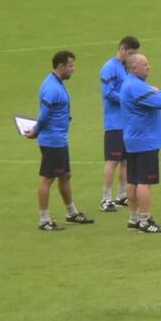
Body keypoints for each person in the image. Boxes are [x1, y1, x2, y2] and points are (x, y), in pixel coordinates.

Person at [25, 51, 94, 231]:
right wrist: (36, 131)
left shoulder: (55, 83)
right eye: (71, 65)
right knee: (47, 179)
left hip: (59, 139)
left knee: (65, 175)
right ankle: (44, 219)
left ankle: (71, 212)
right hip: (53, 141)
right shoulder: (52, 88)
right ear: (61, 66)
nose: (73, 69)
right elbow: (45, 114)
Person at [120, 54, 161, 233]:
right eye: (145, 65)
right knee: (144, 182)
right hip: (145, 140)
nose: (149, 67)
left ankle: (133, 218)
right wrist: (158, 91)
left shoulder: (130, 84)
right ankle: (145, 220)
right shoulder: (136, 87)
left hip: (133, 139)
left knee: (133, 180)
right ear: (134, 68)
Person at [99, 36, 140, 212]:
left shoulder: (125, 68)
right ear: (122, 50)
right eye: (130, 54)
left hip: (127, 122)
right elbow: (107, 93)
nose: (132, 58)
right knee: (112, 160)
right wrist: (127, 100)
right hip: (114, 123)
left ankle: (122, 194)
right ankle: (105, 199)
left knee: (125, 160)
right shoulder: (109, 68)